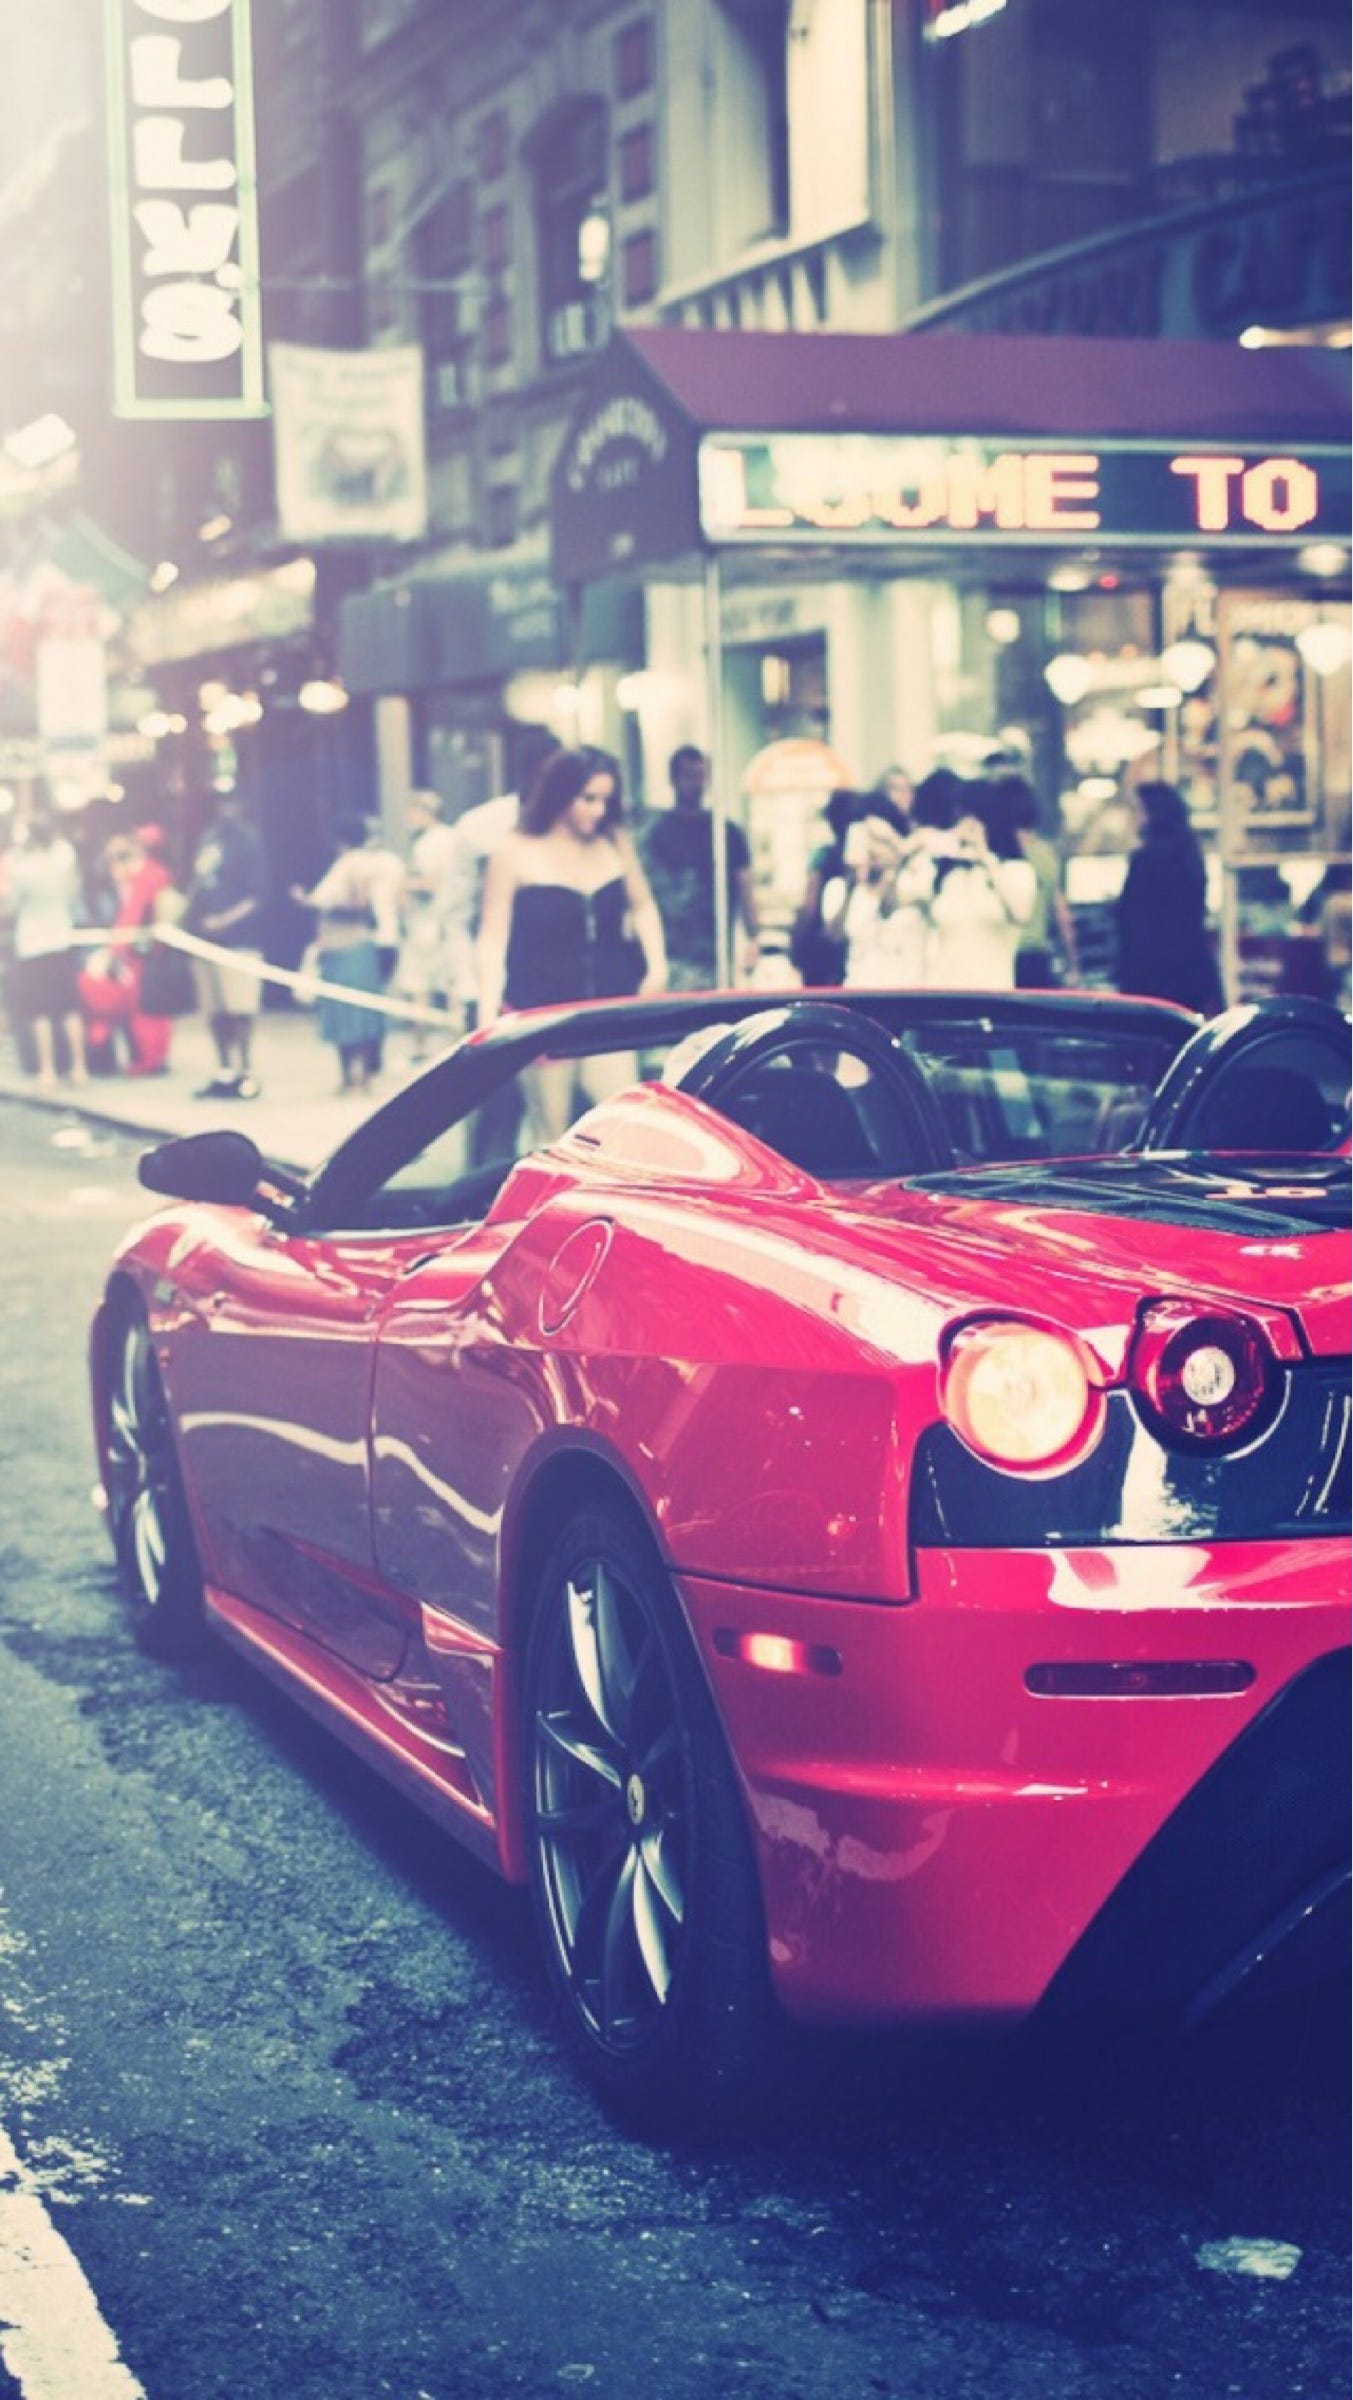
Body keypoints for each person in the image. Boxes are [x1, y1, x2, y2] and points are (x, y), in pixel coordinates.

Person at [478, 746, 667, 1142]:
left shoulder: (614, 842)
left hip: (608, 1008)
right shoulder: (514, 851)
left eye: (606, 800)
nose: (599, 810)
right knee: (553, 1132)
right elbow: (493, 936)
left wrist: (656, 965)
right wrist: (487, 1010)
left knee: (623, 1126)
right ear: (561, 794)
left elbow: (643, 904)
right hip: (541, 1010)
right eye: (588, 798)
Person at [442, 726, 561, 1029]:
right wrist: (469, 986)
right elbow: (457, 914)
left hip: (562, 986)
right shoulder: (480, 828)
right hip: (496, 985)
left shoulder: (578, 829)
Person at [293, 815, 401, 1094]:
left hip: (350, 947)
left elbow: (359, 905)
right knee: (350, 1015)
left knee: (352, 1015)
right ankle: (356, 1076)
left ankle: (356, 1076)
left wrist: (311, 902)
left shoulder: (354, 865)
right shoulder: (368, 863)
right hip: (345, 946)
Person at [638, 744, 757, 990]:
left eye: (700, 775)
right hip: (671, 953)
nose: (696, 783)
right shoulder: (655, 833)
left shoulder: (726, 832)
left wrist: (754, 935)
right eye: (689, 775)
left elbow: (745, 885)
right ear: (673, 779)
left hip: (716, 954)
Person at [182, 790, 267, 1099]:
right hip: (205, 940)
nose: (224, 809)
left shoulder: (249, 841)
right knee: (215, 1010)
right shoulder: (209, 840)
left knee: (240, 1007)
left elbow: (257, 894)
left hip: (239, 940)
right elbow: (196, 885)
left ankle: (246, 1071)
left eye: (230, 802)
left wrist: (225, 920)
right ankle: (224, 1070)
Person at [1116, 779, 1224, 1015]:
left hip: (1152, 976)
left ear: (1153, 814)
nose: (1133, 818)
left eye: (1137, 810)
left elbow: (1135, 922)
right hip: (1191, 969)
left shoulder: (1145, 860)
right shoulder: (1191, 855)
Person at [7, 797, 87, 1089]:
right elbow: (74, 893)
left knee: (39, 1011)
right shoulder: (64, 858)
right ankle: (79, 1068)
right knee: (69, 1008)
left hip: (32, 944)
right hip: (62, 938)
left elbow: (13, 905)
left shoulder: (24, 867)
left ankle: (48, 1070)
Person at [921, 788, 1036, 990]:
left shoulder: (1015, 870)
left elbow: (1021, 912)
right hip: (942, 989)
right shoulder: (948, 874)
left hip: (991, 991)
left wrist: (985, 856)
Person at [986, 774, 1079, 989]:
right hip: (1037, 955)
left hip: (1003, 953)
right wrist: (1073, 964)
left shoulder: (995, 855)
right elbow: (1061, 913)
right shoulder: (1046, 853)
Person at [393, 788, 458, 1059]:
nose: (408, 816)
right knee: (453, 985)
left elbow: (430, 884)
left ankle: (420, 1046)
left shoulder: (427, 844)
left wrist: (402, 886)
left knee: (419, 986)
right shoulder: (453, 838)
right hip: (451, 923)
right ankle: (457, 1042)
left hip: (426, 924)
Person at [790, 788, 859, 987]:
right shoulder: (866, 861)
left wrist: (797, 944)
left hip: (822, 951)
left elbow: (810, 906)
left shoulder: (823, 856)